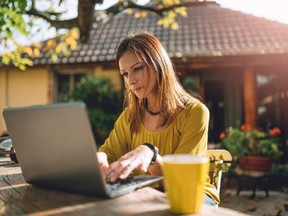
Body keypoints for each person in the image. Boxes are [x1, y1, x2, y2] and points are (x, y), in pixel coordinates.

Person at [97, 31, 219, 206]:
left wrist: (151, 154)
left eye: (137, 68)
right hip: (146, 195)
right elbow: (108, 153)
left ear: (158, 65)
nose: (131, 81)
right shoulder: (129, 116)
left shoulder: (194, 113)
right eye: (124, 74)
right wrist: (98, 158)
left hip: (194, 196)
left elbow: (182, 181)